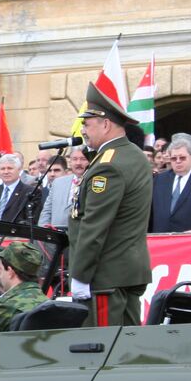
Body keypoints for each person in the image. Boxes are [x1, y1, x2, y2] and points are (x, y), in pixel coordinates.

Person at [67, 82, 153, 327]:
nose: (83, 129)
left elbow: (95, 225)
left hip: (105, 276)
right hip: (124, 272)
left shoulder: (108, 164)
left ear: (105, 124)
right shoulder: (133, 155)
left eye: (87, 123)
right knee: (126, 347)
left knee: (103, 350)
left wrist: (81, 275)